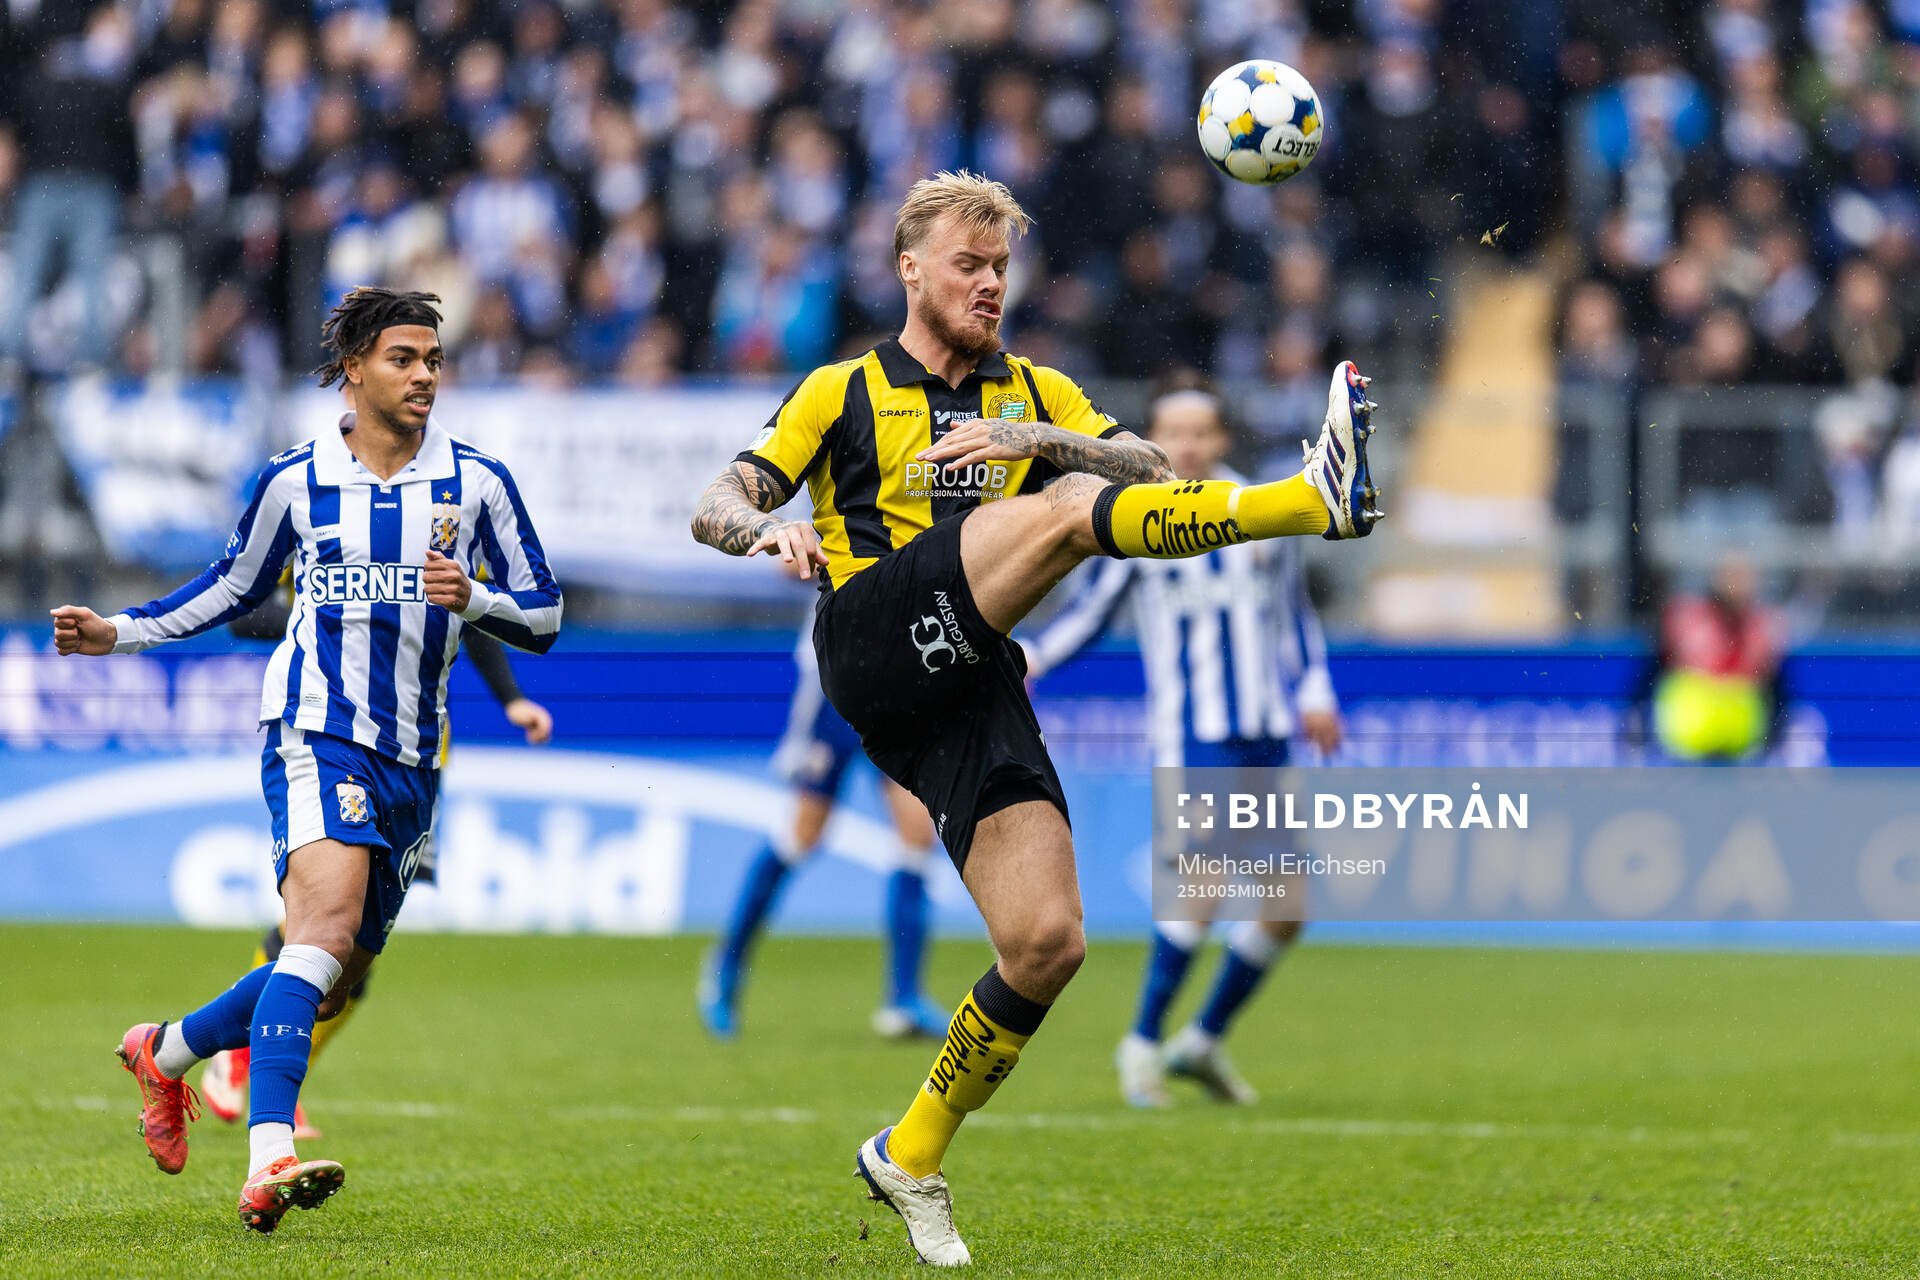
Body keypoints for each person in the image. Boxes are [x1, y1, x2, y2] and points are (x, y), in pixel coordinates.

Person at [690, 171, 1381, 1267]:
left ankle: (909, 1149)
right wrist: (764, 536)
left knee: (1049, 941)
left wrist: (1040, 443)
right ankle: (1308, 499)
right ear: (911, 268)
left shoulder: (1033, 389)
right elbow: (718, 498)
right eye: (969, 264)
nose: (990, 284)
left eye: (1002, 267)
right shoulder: (841, 389)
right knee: (1058, 518)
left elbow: (1148, 464)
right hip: (871, 634)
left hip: (969, 679)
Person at [51, 287, 561, 1233]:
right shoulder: (297, 479)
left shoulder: (478, 483)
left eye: (434, 360)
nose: (423, 376)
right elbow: (228, 589)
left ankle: (164, 1052)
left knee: (338, 964)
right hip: (313, 728)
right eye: (404, 358)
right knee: (319, 935)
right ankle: (268, 1154)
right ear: (355, 368)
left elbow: (546, 614)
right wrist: (116, 631)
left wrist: (477, 600)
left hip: (415, 755)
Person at [1019, 381, 1343, 1110]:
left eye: (1201, 431)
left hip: (1266, 729)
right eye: (1174, 430)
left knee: (1288, 904)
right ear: (1152, 439)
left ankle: (1200, 1041)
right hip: (1193, 732)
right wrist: (1034, 658)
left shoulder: (1263, 508)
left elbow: (1294, 614)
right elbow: (1092, 611)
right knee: (1204, 885)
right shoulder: (1136, 518)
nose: (1189, 444)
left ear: (1221, 439)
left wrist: (1315, 689)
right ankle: (1140, 1043)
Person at [199, 614, 556, 1137]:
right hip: (335, 741)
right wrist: (326, 615)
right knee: (320, 934)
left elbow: (470, 616)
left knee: (352, 959)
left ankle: (239, 1057)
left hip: (417, 758)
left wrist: (511, 698)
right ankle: (247, 1063)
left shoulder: (449, 537)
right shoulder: (316, 537)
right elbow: (245, 611)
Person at [701, 612, 952, 1040]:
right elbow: (788, 564)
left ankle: (903, 998)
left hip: (897, 682)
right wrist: (801, 547)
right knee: (803, 835)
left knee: (917, 833)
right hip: (834, 675)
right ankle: (727, 965)